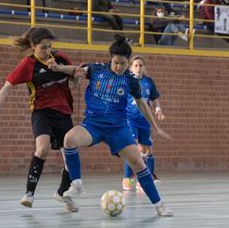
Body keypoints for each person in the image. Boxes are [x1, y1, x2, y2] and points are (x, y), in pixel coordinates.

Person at [49, 34, 174, 217]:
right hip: (93, 124)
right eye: (116, 62)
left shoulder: (130, 80)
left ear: (128, 62)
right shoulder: (96, 70)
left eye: (123, 63)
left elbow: (141, 103)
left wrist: (155, 126)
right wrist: (59, 68)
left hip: (118, 128)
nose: (119, 67)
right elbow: (77, 71)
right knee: (69, 139)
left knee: (138, 163)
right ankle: (77, 183)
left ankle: (159, 205)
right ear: (111, 59)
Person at [0, 27, 78, 212]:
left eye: (49, 47)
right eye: (43, 48)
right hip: (41, 112)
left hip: (63, 113)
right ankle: (29, 194)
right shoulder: (28, 65)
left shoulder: (61, 58)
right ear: (33, 47)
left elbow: (75, 78)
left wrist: (64, 72)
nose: (47, 51)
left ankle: (63, 194)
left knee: (70, 159)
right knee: (42, 148)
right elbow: (7, 86)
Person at [122, 56, 164, 191]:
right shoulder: (127, 81)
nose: (138, 68)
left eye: (141, 65)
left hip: (145, 120)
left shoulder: (148, 82)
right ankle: (128, 177)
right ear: (130, 67)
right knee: (133, 147)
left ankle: (148, 178)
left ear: (144, 67)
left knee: (147, 150)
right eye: (136, 65)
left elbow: (154, 98)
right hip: (130, 118)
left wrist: (157, 109)